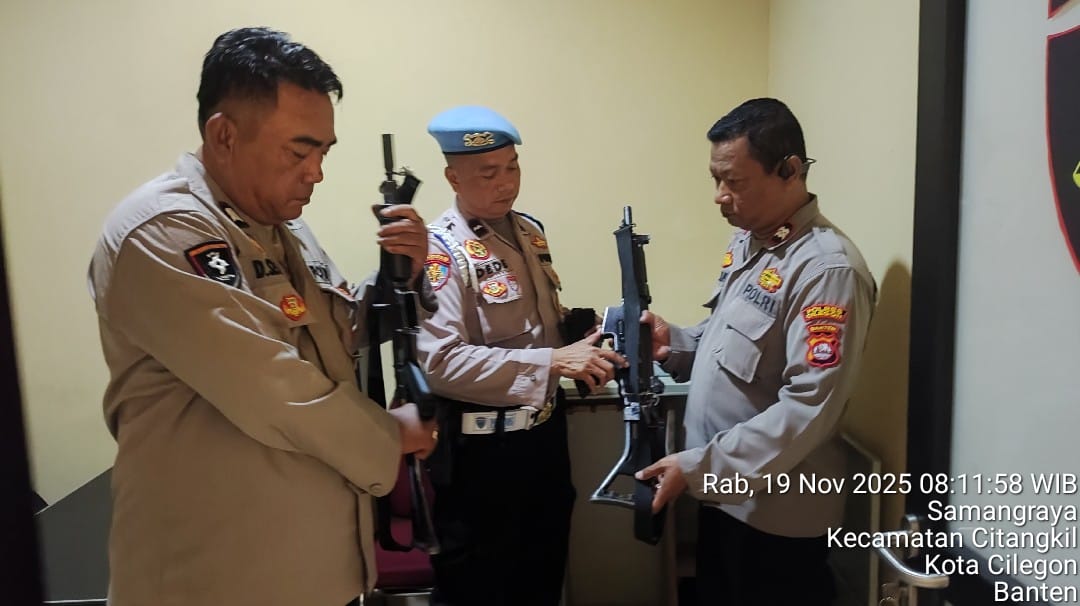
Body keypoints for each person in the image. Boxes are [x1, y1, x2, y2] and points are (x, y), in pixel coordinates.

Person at [86, 27, 437, 606]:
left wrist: (403, 277)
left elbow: (335, 335)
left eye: (324, 153)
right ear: (223, 135)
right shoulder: (163, 230)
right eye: (299, 152)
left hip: (312, 573)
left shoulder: (282, 229)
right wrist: (390, 434)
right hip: (214, 579)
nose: (316, 172)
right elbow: (273, 385)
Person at [636, 98, 877, 606]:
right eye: (715, 179)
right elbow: (728, 338)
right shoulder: (752, 243)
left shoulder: (826, 270)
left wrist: (701, 468)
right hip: (723, 494)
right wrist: (674, 342)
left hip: (775, 519)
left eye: (734, 182)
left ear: (790, 170)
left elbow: (808, 408)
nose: (720, 197)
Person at [415, 105, 625, 606]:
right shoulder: (439, 250)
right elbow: (440, 364)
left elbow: (535, 325)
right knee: (479, 591)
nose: (506, 182)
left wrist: (583, 335)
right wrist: (554, 361)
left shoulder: (529, 232)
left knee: (541, 582)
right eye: (489, 172)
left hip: (543, 442)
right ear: (453, 177)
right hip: (482, 460)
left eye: (512, 167)